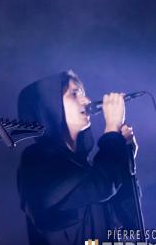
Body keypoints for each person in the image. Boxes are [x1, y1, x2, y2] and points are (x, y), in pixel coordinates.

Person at [16, 70, 141, 244]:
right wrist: (112, 130)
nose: (87, 100)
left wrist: (126, 156)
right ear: (50, 106)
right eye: (75, 94)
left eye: (83, 93)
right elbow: (100, 186)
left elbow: (129, 220)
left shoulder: (88, 166)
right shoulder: (35, 160)